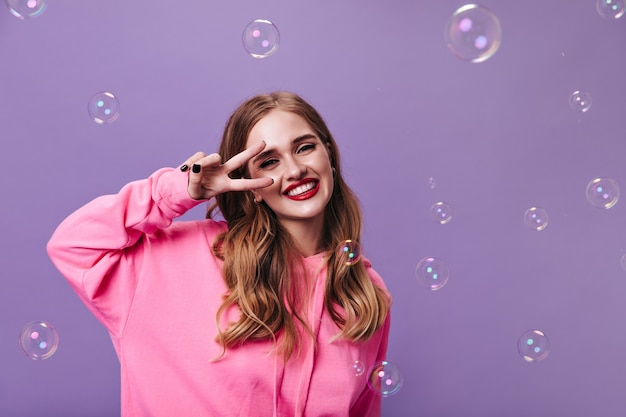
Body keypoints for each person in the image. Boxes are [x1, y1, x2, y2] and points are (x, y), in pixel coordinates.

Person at [47, 91, 391, 417]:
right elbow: (72, 244)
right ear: (249, 184)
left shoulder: (364, 291)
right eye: (269, 161)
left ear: (329, 155)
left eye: (304, 148)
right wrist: (177, 190)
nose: (294, 170)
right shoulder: (171, 262)